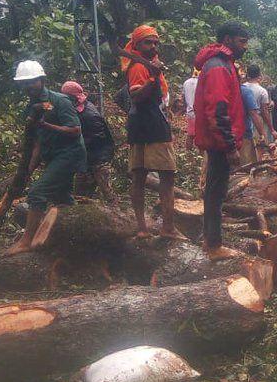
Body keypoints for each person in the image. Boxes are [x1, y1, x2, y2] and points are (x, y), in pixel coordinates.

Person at [6, 61, 86, 255]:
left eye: (31, 82)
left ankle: (27, 241)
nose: (28, 87)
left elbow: (75, 130)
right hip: (52, 155)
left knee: (36, 193)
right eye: (24, 83)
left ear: (41, 80)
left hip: (70, 154)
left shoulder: (60, 101)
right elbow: (37, 144)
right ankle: (81, 239)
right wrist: (28, 171)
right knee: (62, 200)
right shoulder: (32, 108)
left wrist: (47, 126)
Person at [193, 21, 249, 259]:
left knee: (216, 191)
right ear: (227, 40)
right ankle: (214, 245)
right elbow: (217, 109)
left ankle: (210, 240)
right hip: (218, 142)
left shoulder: (224, 64)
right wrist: (228, 145)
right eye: (242, 41)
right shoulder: (218, 66)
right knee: (215, 193)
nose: (245, 47)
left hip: (219, 140)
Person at [122, 25, 181, 239]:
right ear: (137, 44)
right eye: (148, 42)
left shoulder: (148, 64)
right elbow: (137, 97)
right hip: (148, 126)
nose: (153, 46)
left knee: (148, 176)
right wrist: (153, 78)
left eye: (156, 42)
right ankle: (159, 228)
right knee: (160, 175)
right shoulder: (139, 66)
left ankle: (153, 227)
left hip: (148, 123)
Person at [60, 80, 116, 202]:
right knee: (80, 196)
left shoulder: (90, 115)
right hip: (86, 160)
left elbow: (97, 139)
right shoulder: (76, 110)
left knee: (108, 194)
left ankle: (122, 218)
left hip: (99, 159)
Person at [241, 64, 275, 158]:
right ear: (259, 75)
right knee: (259, 146)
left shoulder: (242, 87)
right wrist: (271, 129)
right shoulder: (262, 91)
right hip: (258, 122)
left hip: (244, 121)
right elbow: (264, 112)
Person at [182, 68, 200, 149]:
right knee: (201, 136)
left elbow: (183, 97)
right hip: (199, 113)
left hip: (190, 112)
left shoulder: (186, 82)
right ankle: (201, 158)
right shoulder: (201, 82)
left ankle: (188, 155)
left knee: (190, 135)